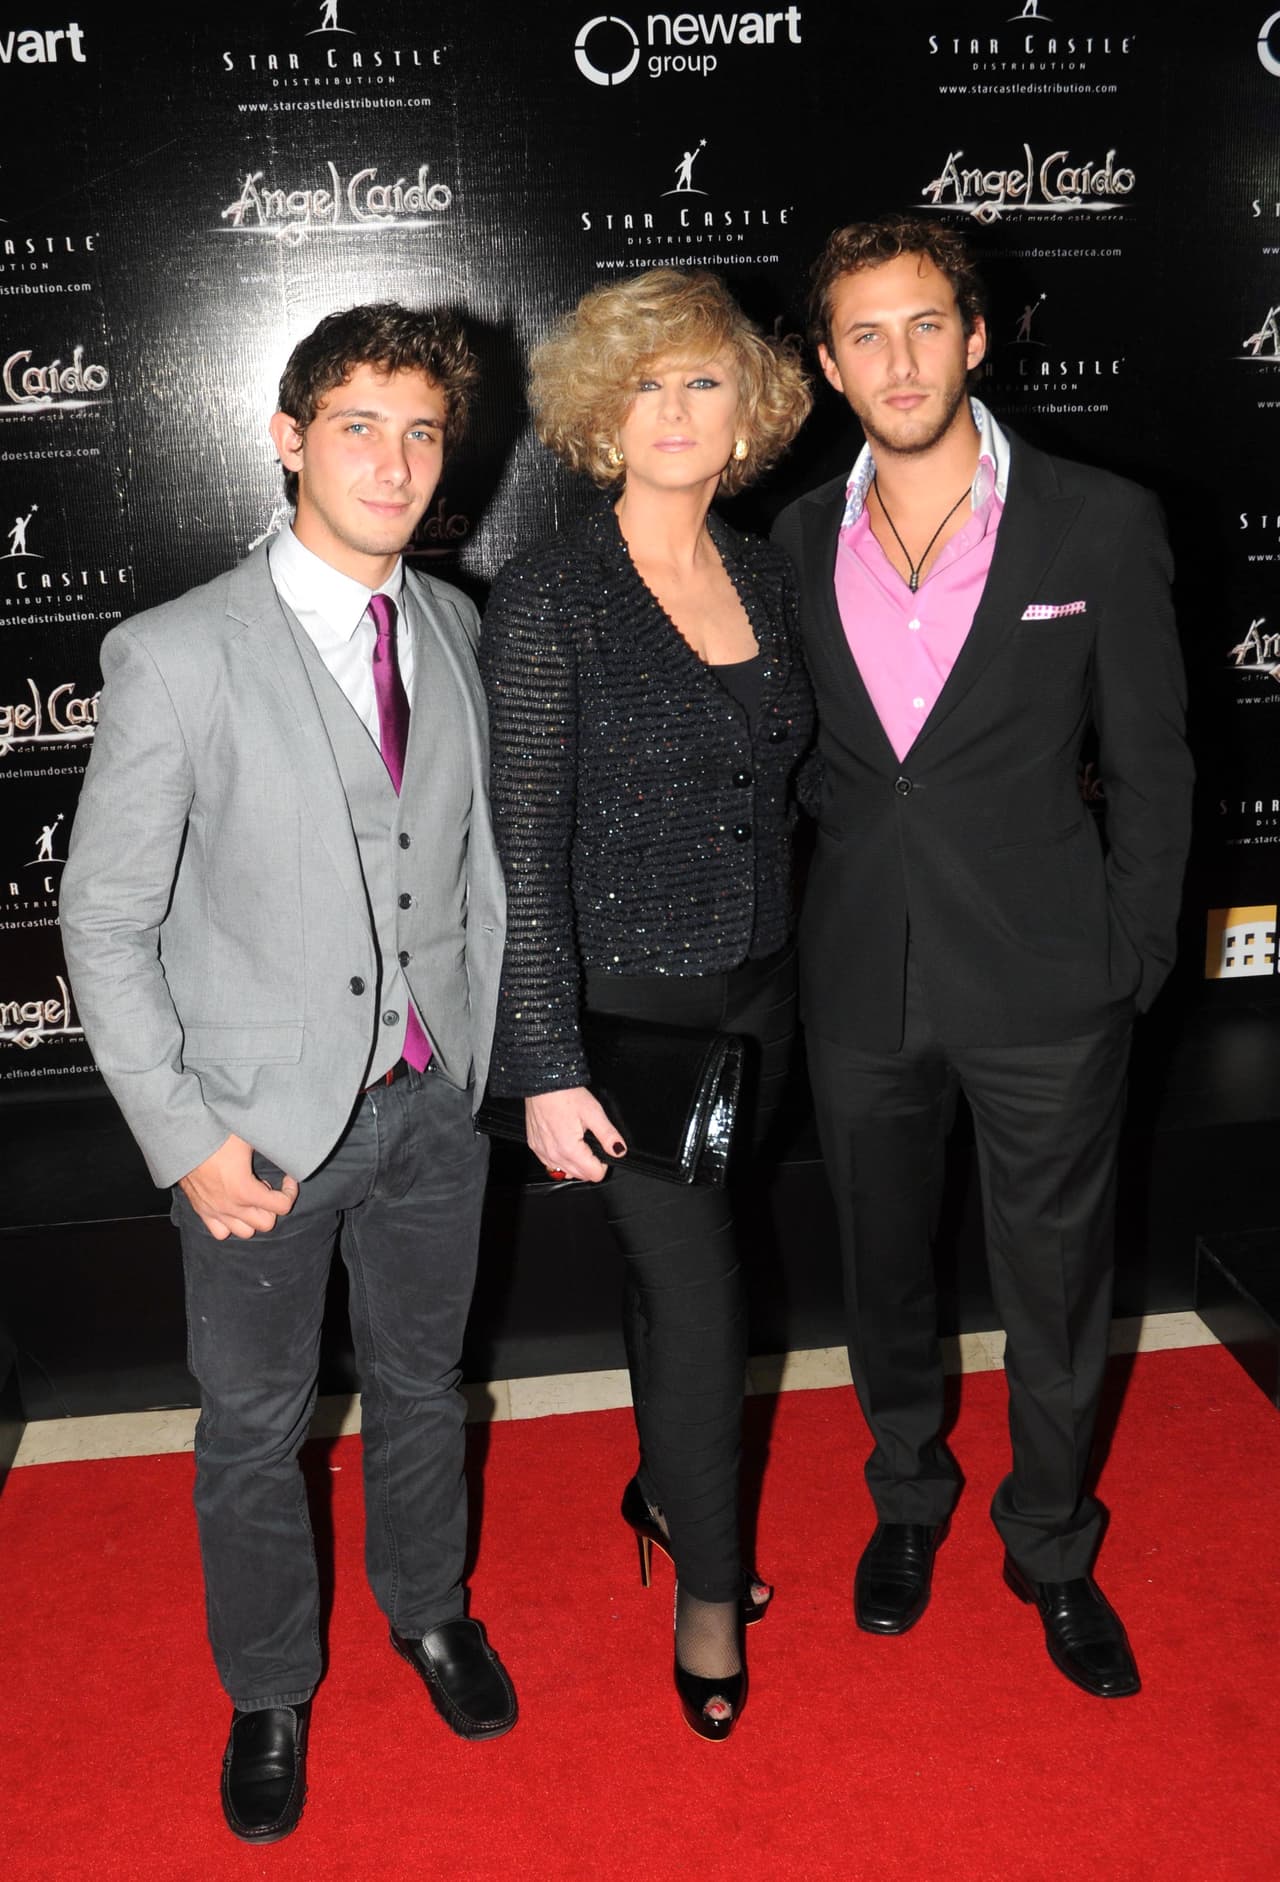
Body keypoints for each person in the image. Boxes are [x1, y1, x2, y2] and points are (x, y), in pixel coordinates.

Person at [59, 303, 514, 1842]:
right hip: (253, 1131)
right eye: (359, 426)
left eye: (422, 431)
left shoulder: (455, 627)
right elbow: (103, 921)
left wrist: (481, 1060)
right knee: (254, 1427)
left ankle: (428, 1608)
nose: (395, 461)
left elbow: (473, 870)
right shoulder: (178, 652)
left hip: (433, 1104)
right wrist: (184, 1136)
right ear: (289, 438)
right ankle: (268, 1689)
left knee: (425, 1383)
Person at [773, 216, 1193, 1699]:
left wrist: (1132, 958)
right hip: (860, 980)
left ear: (977, 336)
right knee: (882, 1274)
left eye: (924, 325)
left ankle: (1053, 1543)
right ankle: (907, 1498)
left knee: (1059, 1287)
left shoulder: (1099, 520)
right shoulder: (792, 539)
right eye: (865, 335)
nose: (899, 360)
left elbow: (1153, 765)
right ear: (829, 365)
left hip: (1050, 984)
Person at [480, 269, 813, 1739]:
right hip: (624, 1017)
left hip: (764, 998)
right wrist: (547, 1063)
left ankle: (663, 1489)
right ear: (602, 417)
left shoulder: (767, 573)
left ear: (751, 409)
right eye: (645, 384)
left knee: (682, 1274)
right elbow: (523, 847)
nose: (675, 409)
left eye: (704, 380)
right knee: (700, 1294)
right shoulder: (552, 595)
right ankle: (708, 1582)